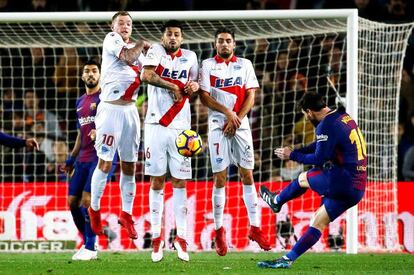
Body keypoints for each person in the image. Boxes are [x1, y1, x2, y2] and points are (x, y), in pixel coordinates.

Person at [258, 92, 367, 269]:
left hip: (343, 180)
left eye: (304, 114)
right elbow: (320, 145)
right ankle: (287, 260)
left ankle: (276, 201)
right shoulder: (342, 116)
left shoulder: (325, 125)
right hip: (358, 188)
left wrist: (291, 154)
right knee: (318, 220)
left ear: (309, 112)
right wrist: (297, 150)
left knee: (303, 178)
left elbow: (319, 158)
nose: (306, 117)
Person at [198, 27, 271, 257]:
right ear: (215, 44)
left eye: (228, 41)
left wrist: (237, 117)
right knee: (219, 177)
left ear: (235, 44)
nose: (225, 44)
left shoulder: (246, 64)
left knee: (247, 174)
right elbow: (204, 97)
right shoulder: (207, 65)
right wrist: (228, 114)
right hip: (218, 125)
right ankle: (219, 231)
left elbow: (251, 95)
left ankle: (255, 227)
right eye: (220, 41)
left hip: (241, 124)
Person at [140, 20, 199, 263]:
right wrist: (171, 85)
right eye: (169, 34)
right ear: (163, 37)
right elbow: (146, 75)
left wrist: (193, 86)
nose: (172, 38)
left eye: (176, 34)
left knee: (180, 181)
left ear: (182, 39)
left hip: (181, 129)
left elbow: (195, 85)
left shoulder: (191, 57)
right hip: (155, 124)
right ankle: (156, 238)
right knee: (156, 181)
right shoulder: (155, 51)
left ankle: (182, 238)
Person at [88, 11, 150, 240]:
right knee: (105, 164)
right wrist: (143, 44)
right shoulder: (112, 40)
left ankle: (126, 214)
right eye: (121, 23)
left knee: (130, 166)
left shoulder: (139, 52)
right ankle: (94, 210)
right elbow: (127, 57)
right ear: (113, 26)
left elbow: (149, 72)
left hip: (130, 111)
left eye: (129, 23)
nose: (125, 26)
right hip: (110, 111)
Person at [60, 60, 115, 261]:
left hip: (101, 156)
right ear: (82, 76)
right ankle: (88, 242)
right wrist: (70, 158)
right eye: (87, 71)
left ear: (100, 75)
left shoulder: (106, 98)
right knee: (72, 202)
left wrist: (100, 131)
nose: (90, 74)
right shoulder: (80, 101)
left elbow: (115, 124)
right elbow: (80, 133)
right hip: (82, 157)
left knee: (86, 201)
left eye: (94, 71)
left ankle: (91, 248)